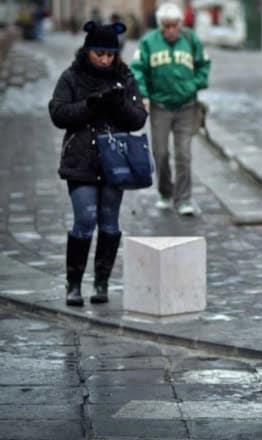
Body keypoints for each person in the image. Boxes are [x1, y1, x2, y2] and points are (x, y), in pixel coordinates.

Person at [48, 21, 148, 307]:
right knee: (84, 219)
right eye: (99, 53)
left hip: (115, 161)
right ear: (88, 50)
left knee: (110, 222)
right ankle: (74, 284)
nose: (105, 60)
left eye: (110, 54)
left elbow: (139, 118)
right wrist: (90, 105)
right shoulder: (72, 77)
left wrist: (119, 105)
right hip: (81, 159)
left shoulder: (124, 77)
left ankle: (101, 282)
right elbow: (58, 113)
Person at [130, 2, 211, 215]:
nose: (171, 30)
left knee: (183, 154)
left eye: (175, 25)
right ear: (160, 26)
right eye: (166, 26)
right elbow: (137, 70)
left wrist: (194, 85)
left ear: (180, 24)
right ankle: (166, 192)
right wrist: (144, 95)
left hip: (187, 106)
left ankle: (184, 199)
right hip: (160, 106)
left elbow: (204, 65)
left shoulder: (191, 40)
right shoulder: (149, 42)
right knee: (161, 153)